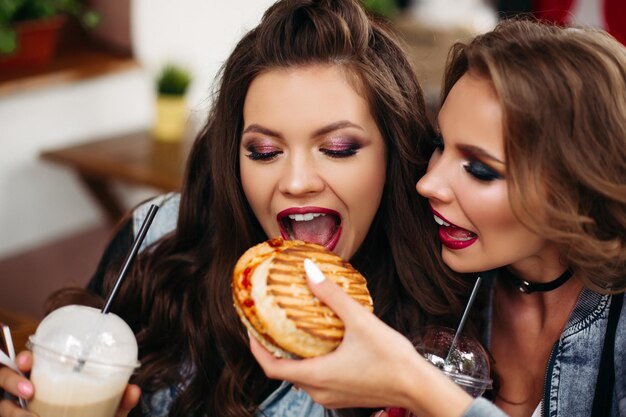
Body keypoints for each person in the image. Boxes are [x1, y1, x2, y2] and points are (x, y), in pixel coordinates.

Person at [0, 1, 474, 416]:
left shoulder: (446, 324)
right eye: (265, 152)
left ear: (393, 155)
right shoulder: (158, 239)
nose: (295, 183)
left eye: (338, 146)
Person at [249, 18, 626, 417]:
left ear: (579, 184)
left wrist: (416, 386)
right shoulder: (433, 284)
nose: (428, 183)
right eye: (439, 145)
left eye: (480, 169)